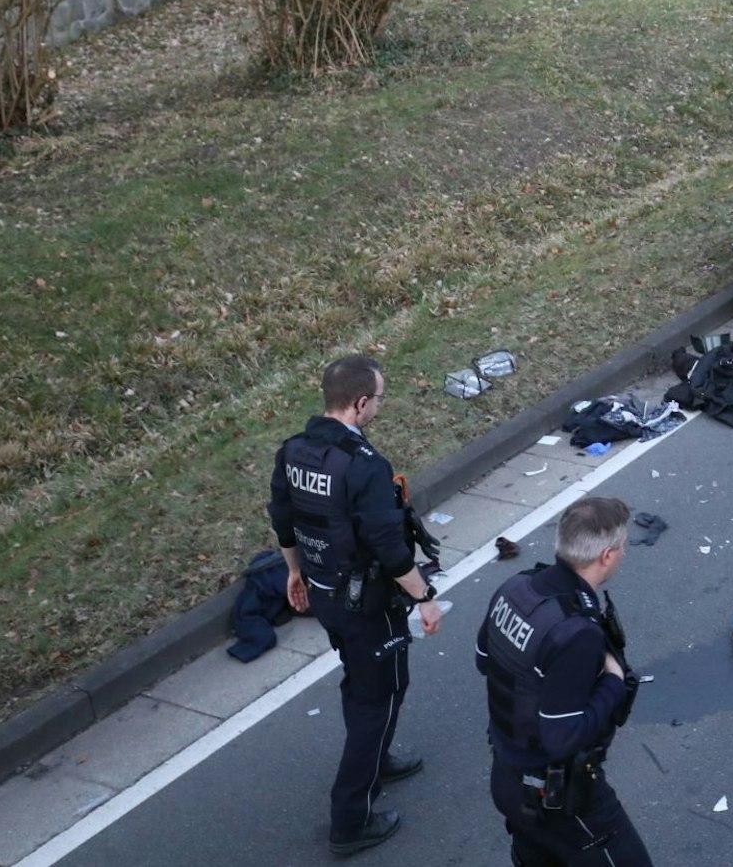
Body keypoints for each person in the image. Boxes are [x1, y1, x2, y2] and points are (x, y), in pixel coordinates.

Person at [268, 354, 444, 857]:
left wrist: (294, 571)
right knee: (381, 695)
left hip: (324, 594)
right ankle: (351, 818)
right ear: (360, 403)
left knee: (362, 681)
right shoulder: (364, 466)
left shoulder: (294, 452)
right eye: (379, 400)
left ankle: (378, 757)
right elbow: (390, 547)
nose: (379, 408)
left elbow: (283, 517)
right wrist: (425, 598)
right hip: (366, 603)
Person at [478, 496, 654, 867]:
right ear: (607, 555)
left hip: (507, 776)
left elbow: (484, 659)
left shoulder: (517, 588)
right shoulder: (576, 632)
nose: (623, 554)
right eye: (623, 547)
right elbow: (562, 737)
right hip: (561, 799)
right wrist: (614, 681)